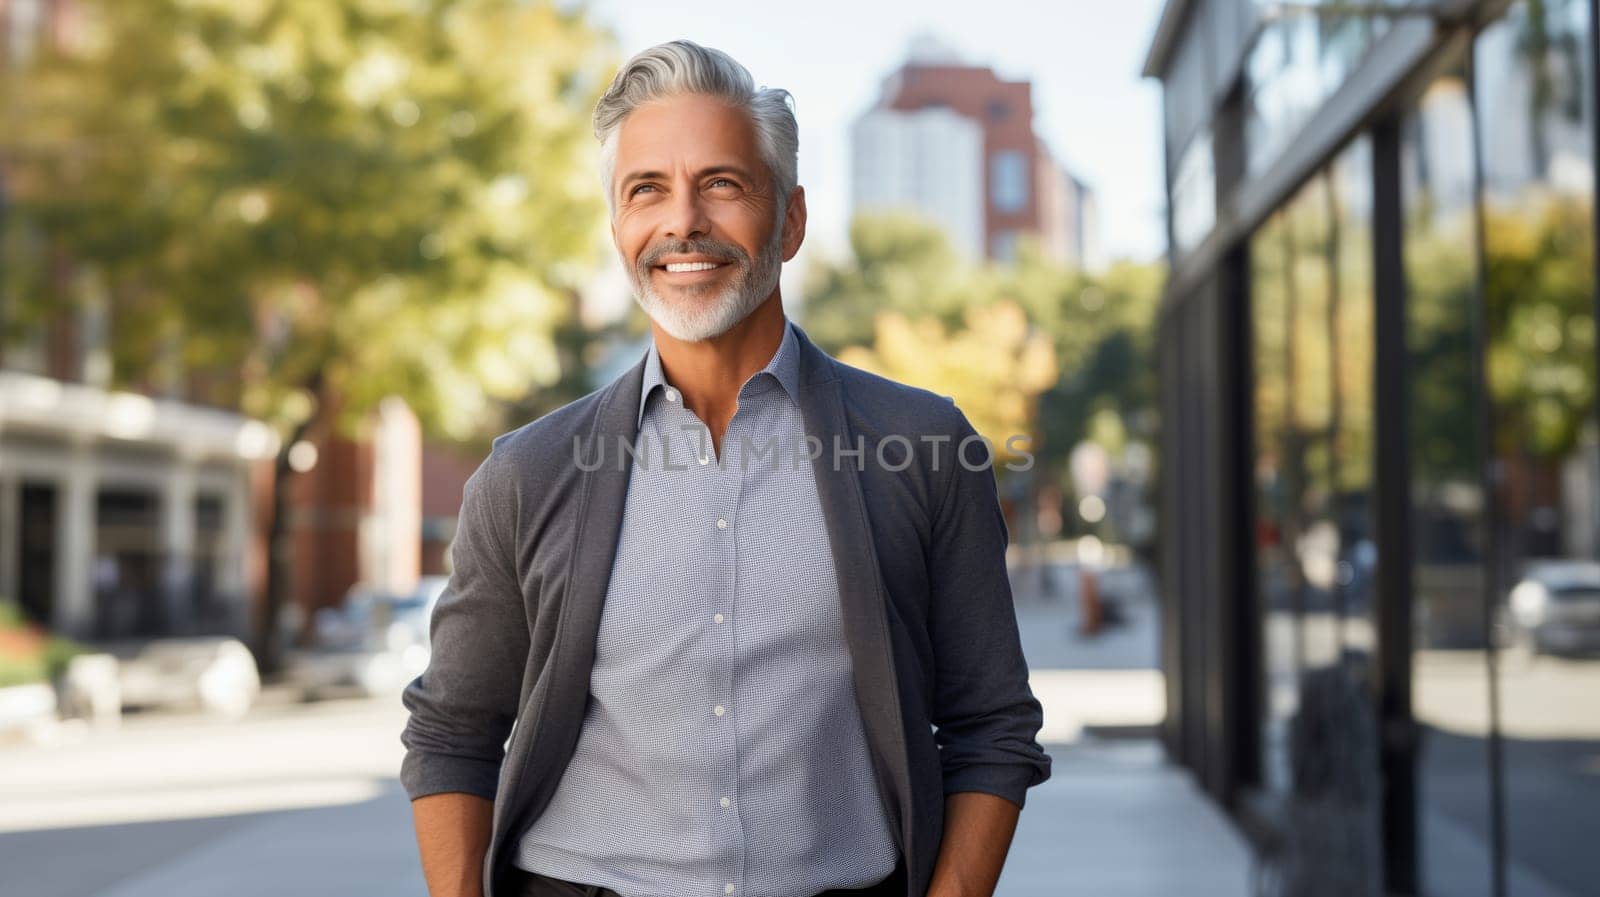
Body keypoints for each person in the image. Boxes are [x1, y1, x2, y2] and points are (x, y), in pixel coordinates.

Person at [400, 39, 1050, 897]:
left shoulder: (924, 447)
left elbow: (991, 728)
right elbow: (453, 730)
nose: (682, 223)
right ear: (618, 228)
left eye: (723, 183)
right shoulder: (529, 474)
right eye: (647, 190)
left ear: (790, 218)